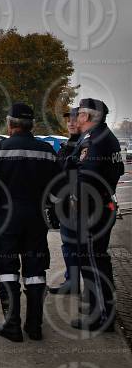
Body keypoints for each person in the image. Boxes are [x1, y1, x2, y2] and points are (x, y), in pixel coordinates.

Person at [0, 103, 61, 342]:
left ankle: (12, 325)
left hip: (8, 219)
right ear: (32, 124)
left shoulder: (1, 149)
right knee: (35, 271)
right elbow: (58, 190)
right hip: (36, 219)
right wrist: (49, 206)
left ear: (10, 124)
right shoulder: (47, 150)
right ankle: (35, 326)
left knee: (7, 270)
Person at [62, 98, 124, 332]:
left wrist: (72, 166)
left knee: (94, 262)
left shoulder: (96, 140)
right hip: (100, 206)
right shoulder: (103, 137)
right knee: (95, 260)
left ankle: (103, 317)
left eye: (78, 114)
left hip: (92, 211)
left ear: (86, 117)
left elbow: (85, 178)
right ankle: (99, 307)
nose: (75, 118)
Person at [49, 108, 82, 295]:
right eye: (69, 119)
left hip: (78, 206)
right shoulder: (68, 145)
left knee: (80, 248)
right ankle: (72, 282)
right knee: (68, 245)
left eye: (75, 119)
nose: (70, 122)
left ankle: (84, 288)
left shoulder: (84, 145)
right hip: (64, 206)